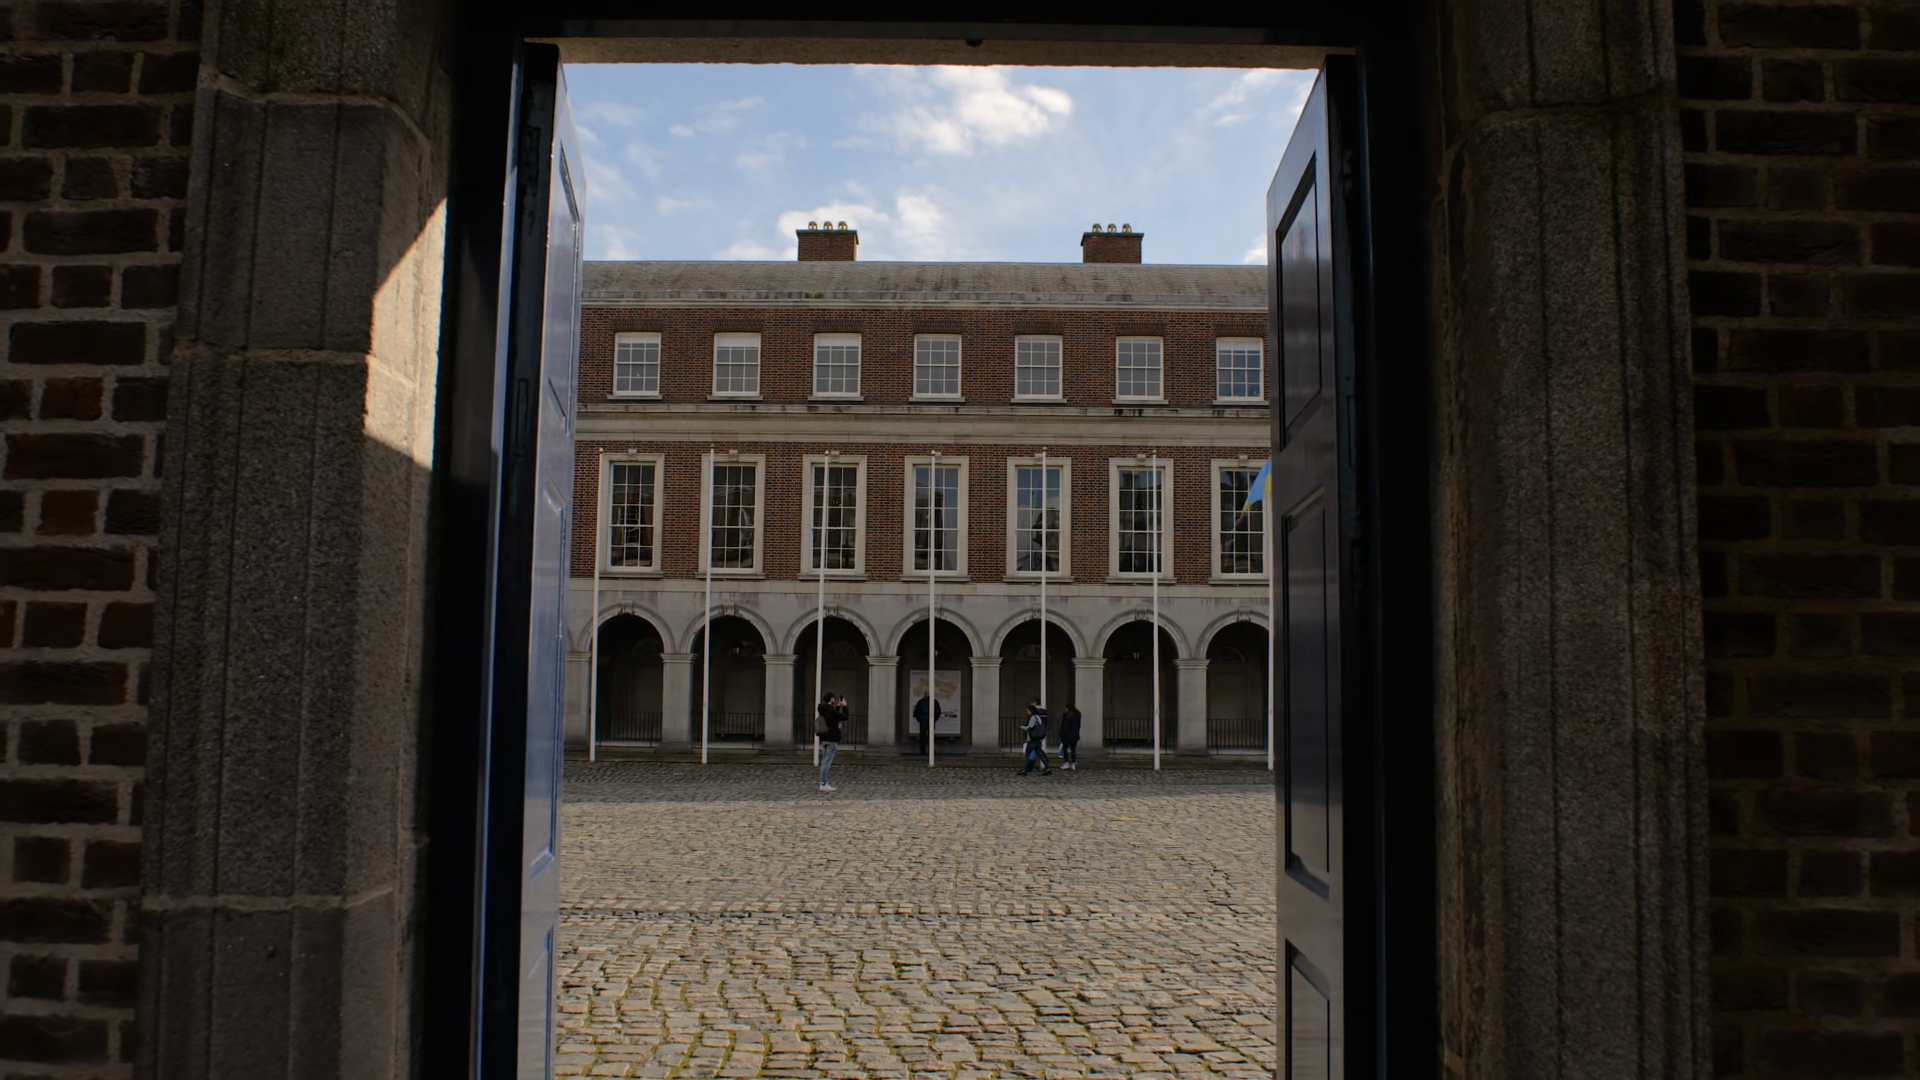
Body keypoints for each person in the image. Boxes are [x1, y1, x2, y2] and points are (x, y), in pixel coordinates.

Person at [816, 692, 845, 791]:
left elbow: (833, 716)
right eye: (834, 698)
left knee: (824, 761)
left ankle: (823, 782)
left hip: (824, 738)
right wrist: (845, 706)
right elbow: (844, 717)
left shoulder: (823, 710)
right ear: (831, 699)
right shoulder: (830, 710)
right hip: (831, 739)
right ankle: (823, 783)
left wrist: (838, 707)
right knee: (827, 762)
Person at [1020, 698, 1052, 775]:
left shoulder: (1033, 718)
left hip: (1032, 739)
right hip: (1037, 738)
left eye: (1028, 711)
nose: (1027, 712)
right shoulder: (1038, 717)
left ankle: (1025, 770)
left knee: (1027, 754)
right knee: (1040, 754)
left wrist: (1024, 727)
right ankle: (1048, 768)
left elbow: (1030, 727)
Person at [1058, 700, 1082, 770]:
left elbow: (1065, 726)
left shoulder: (1067, 715)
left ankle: (1066, 762)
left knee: (1065, 749)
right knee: (1073, 749)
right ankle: (1073, 763)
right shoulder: (1077, 714)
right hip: (1075, 734)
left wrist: (1062, 734)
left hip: (1067, 735)